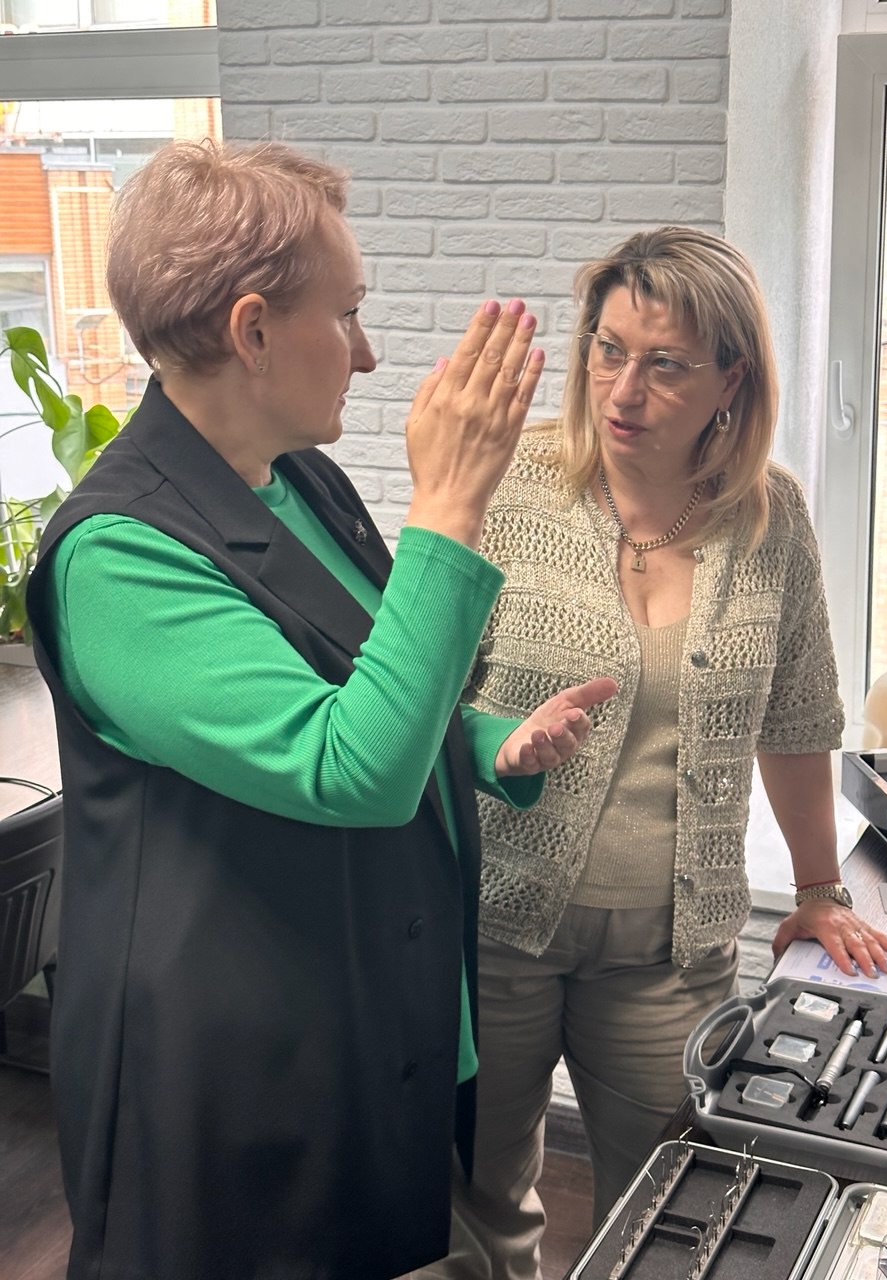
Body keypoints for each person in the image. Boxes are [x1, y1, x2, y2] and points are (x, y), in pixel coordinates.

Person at [24, 139, 617, 1280]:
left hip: (357, 1015)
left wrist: (486, 741)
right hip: (234, 1080)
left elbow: (366, 689)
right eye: (346, 315)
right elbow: (350, 766)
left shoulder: (299, 478)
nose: (369, 350)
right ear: (251, 332)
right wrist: (451, 503)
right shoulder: (118, 556)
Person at [416, 226, 887, 1280]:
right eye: (609, 349)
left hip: (669, 953)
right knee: (475, 1198)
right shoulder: (508, 488)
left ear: (732, 377)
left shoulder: (772, 518)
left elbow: (797, 717)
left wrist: (818, 887)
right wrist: (504, 742)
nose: (624, 389)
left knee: (669, 1209)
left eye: (666, 363)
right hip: (490, 926)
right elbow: (408, 697)